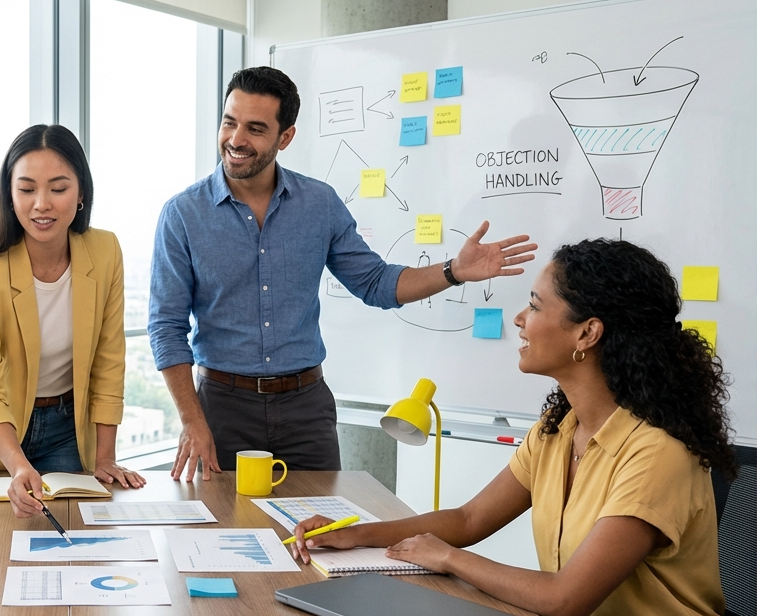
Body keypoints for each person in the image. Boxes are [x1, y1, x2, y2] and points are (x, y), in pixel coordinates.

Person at [291, 239, 734, 616]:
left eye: (535, 305)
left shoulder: (655, 452)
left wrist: (449, 557)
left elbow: (566, 599)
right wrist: (357, 533)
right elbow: (469, 518)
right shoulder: (558, 431)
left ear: (587, 333)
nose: (519, 320)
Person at [149, 66, 537, 480]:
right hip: (222, 409)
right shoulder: (183, 214)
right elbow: (166, 327)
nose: (236, 140)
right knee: (226, 536)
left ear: (285, 137)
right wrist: (193, 421)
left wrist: (453, 271)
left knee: (321, 535)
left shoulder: (319, 204)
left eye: (255, 128)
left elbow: (376, 283)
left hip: (305, 408)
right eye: (230, 122)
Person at [0, 125, 145, 517]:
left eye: (58, 189)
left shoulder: (105, 250)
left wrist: (105, 457)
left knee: (70, 545)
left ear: (81, 193)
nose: (41, 203)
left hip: (66, 430)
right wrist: (17, 464)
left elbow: (109, 360)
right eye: (27, 189)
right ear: (10, 196)